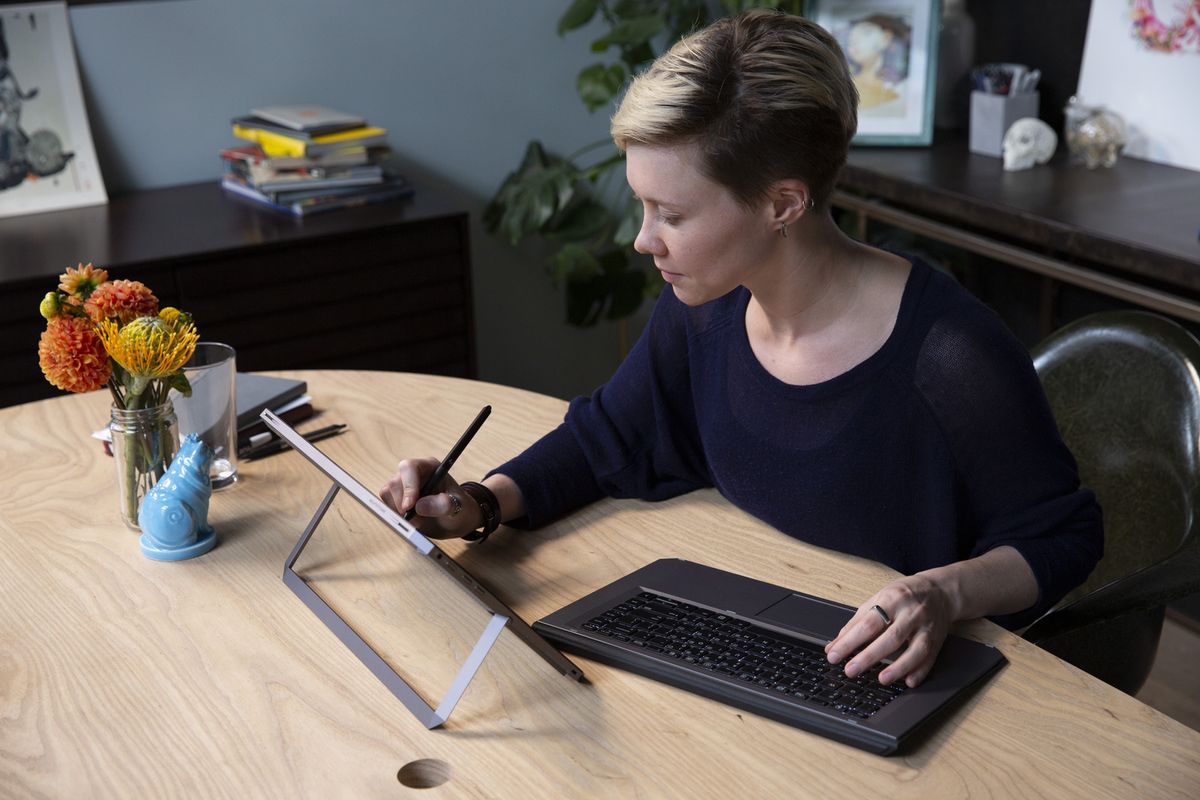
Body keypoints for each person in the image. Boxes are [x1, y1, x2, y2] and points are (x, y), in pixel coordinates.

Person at [380, 10, 1103, 690]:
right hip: (754, 640)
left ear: (783, 203)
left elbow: (1062, 535)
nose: (643, 239)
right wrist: (476, 504)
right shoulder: (707, 305)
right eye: (642, 206)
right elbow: (613, 433)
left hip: (886, 675)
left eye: (672, 214)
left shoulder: (949, 355)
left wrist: (941, 591)